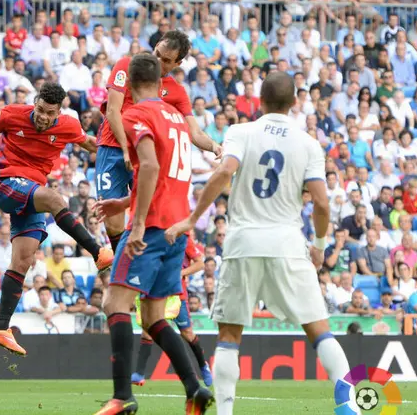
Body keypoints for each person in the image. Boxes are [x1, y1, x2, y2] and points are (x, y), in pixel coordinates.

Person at [166, 72, 351, 415]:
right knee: (319, 329)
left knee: (230, 335)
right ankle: (347, 404)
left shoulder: (242, 132)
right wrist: (321, 245)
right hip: (288, 243)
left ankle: (224, 412)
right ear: (295, 102)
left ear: (259, 102)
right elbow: (322, 204)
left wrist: (193, 219)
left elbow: (224, 172)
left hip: (242, 243)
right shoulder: (308, 143)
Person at [93, 54, 213, 415]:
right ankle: (195, 387)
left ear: (127, 83)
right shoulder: (176, 117)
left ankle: (122, 396)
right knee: (155, 317)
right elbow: (163, 175)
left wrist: (138, 221)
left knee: (114, 304)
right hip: (177, 228)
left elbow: (148, 165)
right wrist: (124, 201)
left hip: (153, 226)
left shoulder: (135, 115)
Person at [0, 83, 114, 357]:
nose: (44, 117)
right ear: (35, 103)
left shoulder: (68, 125)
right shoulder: (12, 114)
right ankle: (98, 253)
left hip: (32, 193)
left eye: (50, 113)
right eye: (40, 110)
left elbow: (91, 144)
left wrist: (123, 155)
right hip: (8, 184)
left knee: (23, 260)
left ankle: (1, 328)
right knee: (57, 200)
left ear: (59, 111)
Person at [96, 31, 220, 260]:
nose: (157, 61)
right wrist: (125, 148)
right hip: (113, 148)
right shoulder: (127, 65)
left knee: (146, 214)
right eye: (157, 54)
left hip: (147, 155)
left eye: (165, 60)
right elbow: (113, 111)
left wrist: (215, 147)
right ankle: (122, 263)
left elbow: (194, 132)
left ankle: (130, 269)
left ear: (178, 63)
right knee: (113, 222)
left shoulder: (176, 91)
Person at [131, 232, 211, 387]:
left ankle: (203, 365)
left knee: (186, 333)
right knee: (147, 329)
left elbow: (199, 263)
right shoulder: (152, 236)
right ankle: (139, 373)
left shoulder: (182, 238)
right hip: (155, 290)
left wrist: (180, 273)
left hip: (176, 293)